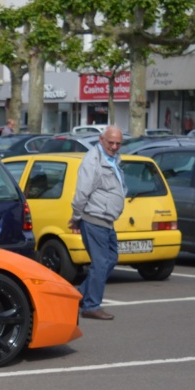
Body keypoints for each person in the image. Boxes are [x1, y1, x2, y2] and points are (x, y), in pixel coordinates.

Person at [69, 125, 126, 320]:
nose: (114, 146)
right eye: (111, 142)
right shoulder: (92, 161)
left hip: (106, 220)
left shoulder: (113, 158)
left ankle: (80, 295)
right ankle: (91, 306)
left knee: (111, 259)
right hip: (94, 218)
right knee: (101, 263)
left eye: (118, 143)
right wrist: (76, 217)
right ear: (101, 140)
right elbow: (82, 192)